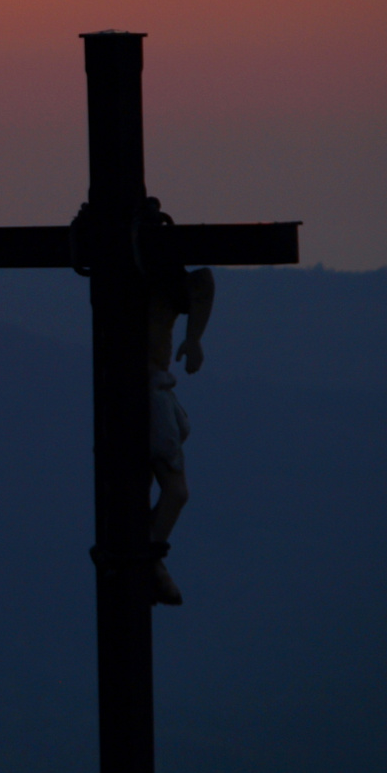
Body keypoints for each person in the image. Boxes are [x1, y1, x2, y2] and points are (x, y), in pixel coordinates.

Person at [145, 213, 215, 606]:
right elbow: (202, 282)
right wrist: (194, 339)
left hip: (156, 386)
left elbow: (203, 282)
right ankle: (149, 559)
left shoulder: (162, 286)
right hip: (147, 391)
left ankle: (150, 555)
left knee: (174, 490)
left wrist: (194, 339)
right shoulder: (142, 283)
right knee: (176, 489)